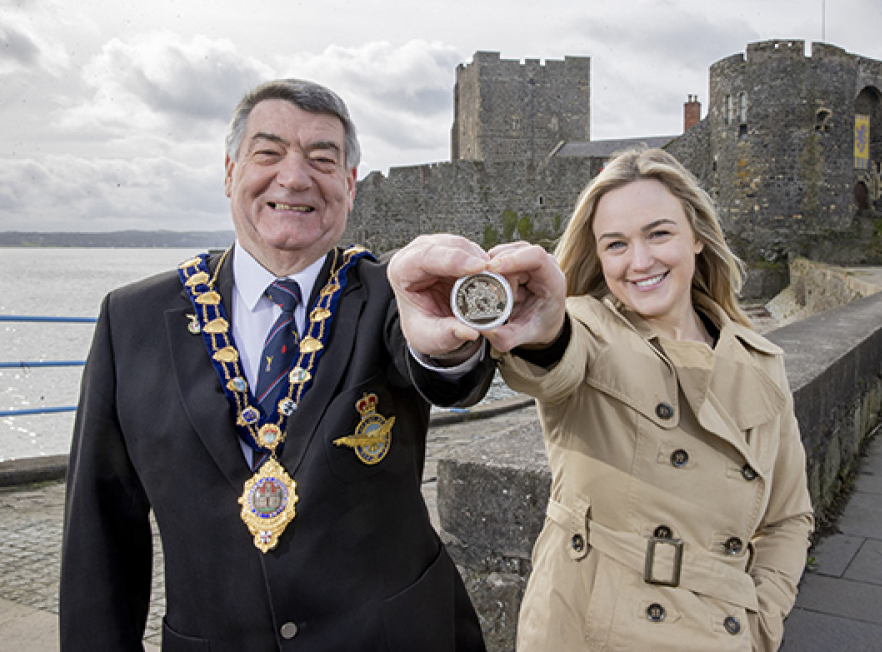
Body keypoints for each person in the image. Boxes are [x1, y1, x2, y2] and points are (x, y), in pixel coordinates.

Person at [60, 78, 518, 651]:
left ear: (350, 188)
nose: (295, 177)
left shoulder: (391, 296)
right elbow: (100, 537)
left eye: (322, 159)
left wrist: (450, 344)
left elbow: (450, 373)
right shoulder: (132, 321)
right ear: (230, 171)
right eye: (269, 153)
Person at [494, 148, 814, 651]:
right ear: (597, 256)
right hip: (588, 630)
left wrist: (762, 618)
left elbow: (788, 518)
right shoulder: (586, 327)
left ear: (698, 237)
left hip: (719, 633)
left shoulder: (762, 362)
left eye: (658, 234)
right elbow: (553, 359)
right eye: (616, 244)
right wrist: (539, 328)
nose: (639, 262)